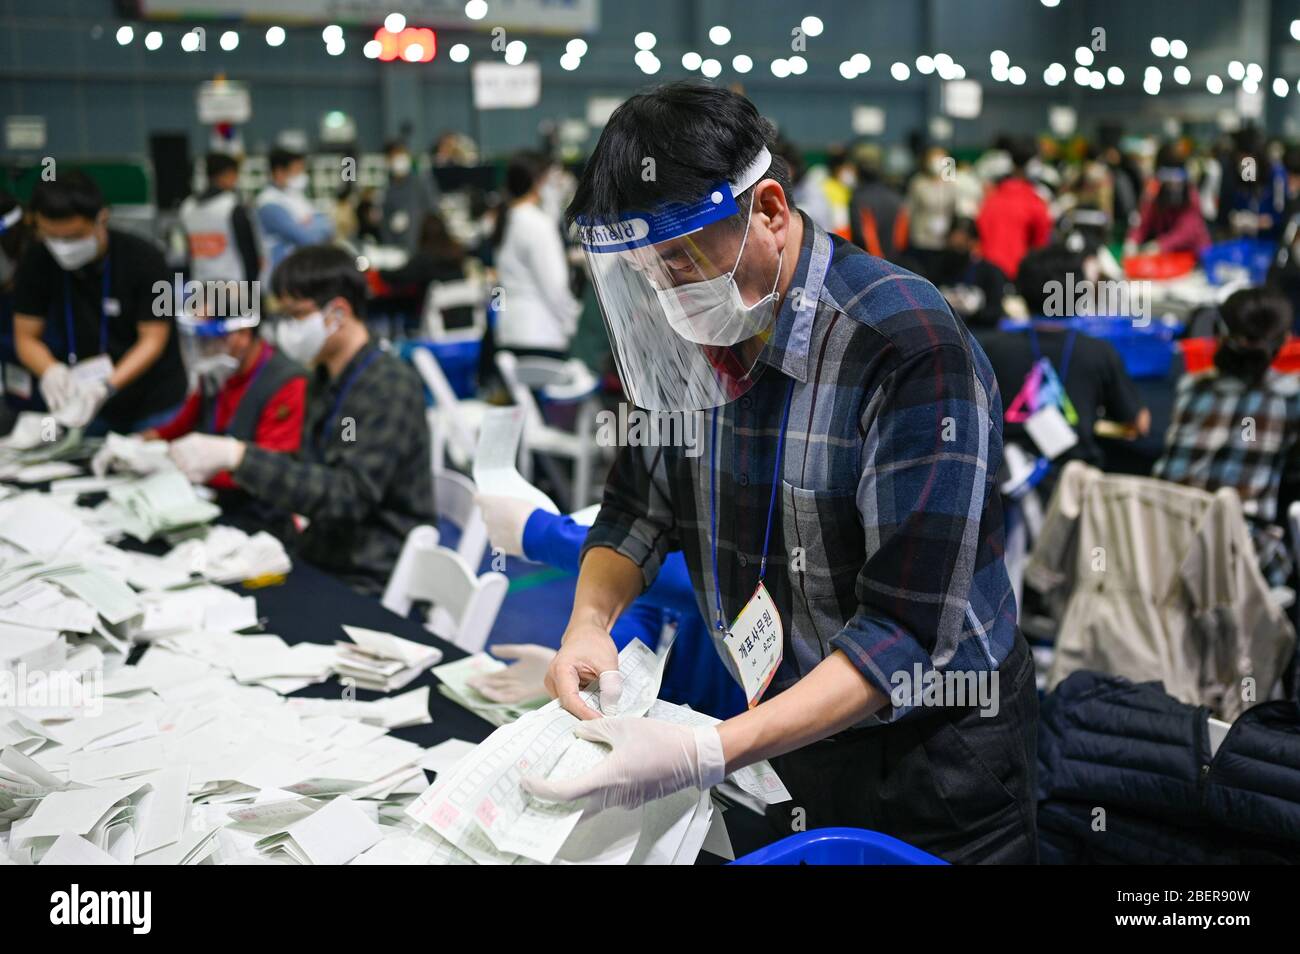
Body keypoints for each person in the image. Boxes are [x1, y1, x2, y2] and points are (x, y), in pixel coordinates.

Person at [523, 82, 1036, 864]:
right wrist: (589, 624)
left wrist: (709, 751)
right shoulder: (694, 332)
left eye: (681, 260)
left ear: (767, 209)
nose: (668, 293)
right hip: (785, 729)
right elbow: (636, 509)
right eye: (646, 272)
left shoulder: (903, 342)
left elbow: (903, 628)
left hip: (932, 754)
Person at [167, 245, 434, 595]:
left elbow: (346, 496)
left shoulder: (386, 387)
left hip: (368, 568)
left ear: (337, 313)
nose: (286, 330)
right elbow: (309, 472)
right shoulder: (326, 378)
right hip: (321, 549)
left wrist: (239, 457)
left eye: (296, 316)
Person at [474, 494, 746, 720]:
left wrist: (541, 533)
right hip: (670, 707)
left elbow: (719, 583)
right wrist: (598, 673)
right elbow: (651, 599)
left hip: (738, 729)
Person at [11, 171, 187, 432]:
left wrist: (106, 387)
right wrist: (50, 371)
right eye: (52, 237)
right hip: (82, 404)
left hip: (151, 400)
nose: (62, 247)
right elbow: (26, 336)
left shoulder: (145, 258)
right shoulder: (36, 261)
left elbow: (153, 338)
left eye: (72, 237)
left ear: (101, 219)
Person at [1153, 288, 1300, 586]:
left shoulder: (1190, 387)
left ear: (1219, 332)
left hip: (1160, 541)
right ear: (1285, 343)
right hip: (1238, 559)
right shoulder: (1290, 401)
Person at [978, 245, 1149, 471]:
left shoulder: (990, 349)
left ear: (1021, 291)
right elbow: (1139, 423)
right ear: (1079, 292)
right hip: (1074, 485)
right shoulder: (1098, 352)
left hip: (1002, 480)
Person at [142, 309, 306, 496]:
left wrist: (181, 467)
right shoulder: (218, 372)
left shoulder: (286, 383)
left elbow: (273, 469)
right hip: (210, 493)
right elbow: (182, 424)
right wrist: (141, 442)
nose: (205, 350)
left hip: (256, 504)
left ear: (243, 334)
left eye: (211, 341)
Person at [491, 151, 581, 360]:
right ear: (537, 181)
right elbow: (555, 288)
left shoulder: (507, 218)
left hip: (509, 331)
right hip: (541, 335)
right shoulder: (538, 225)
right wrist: (574, 324)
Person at [976, 137, 1053, 281]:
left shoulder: (991, 196)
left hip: (987, 272)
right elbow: (1041, 244)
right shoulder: (1034, 200)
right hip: (1018, 274)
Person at [179, 152, 260, 285]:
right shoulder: (232, 206)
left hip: (199, 284)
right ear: (228, 174)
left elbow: (188, 252)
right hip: (233, 286)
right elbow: (248, 253)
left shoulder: (187, 207)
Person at [255, 148, 333, 277]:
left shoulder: (296, 196)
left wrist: (311, 225)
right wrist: (312, 225)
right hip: (280, 273)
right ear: (279, 172)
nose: (302, 176)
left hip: (301, 269)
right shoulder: (269, 203)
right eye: (297, 171)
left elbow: (328, 225)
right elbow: (307, 239)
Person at [1125, 144, 1211, 256]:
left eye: (1176, 176)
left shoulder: (1190, 195)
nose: (1172, 183)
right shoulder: (1154, 194)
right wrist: (1132, 241)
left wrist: (1160, 245)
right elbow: (1143, 222)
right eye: (1166, 176)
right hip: (1167, 260)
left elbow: (1187, 232)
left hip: (1195, 257)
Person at [927, 217, 1010, 330]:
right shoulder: (935, 268)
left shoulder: (990, 273)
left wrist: (973, 313)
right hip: (944, 331)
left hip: (978, 333)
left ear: (975, 243)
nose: (957, 249)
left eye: (961, 245)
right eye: (953, 244)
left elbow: (994, 312)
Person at [904, 145, 960, 276]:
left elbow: (954, 208)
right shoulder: (918, 183)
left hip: (943, 241)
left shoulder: (951, 183)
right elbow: (909, 211)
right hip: (921, 240)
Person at [379, 140, 438, 255]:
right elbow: (385, 222)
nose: (399, 159)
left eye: (401, 154)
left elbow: (433, 210)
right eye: (394, 156)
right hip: (398, 249)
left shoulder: (421, 181)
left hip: (423, 247)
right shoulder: (388, 188)